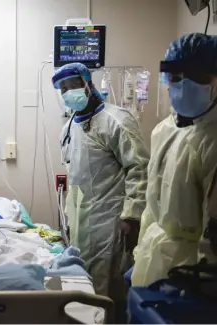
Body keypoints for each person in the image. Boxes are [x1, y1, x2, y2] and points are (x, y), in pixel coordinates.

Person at [52, 63, 149, 311]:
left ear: (87, 83)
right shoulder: (69, 127)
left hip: (110, 221)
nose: (66, 93)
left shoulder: (116, 121)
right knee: (83, 282)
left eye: (71, 86)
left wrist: (132, 216)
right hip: (80, 219)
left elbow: (138, 168)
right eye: (61, 89)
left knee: (108, 285)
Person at [132, 33, 217, 286]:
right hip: (153, 257)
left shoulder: (212, 140)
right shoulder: (164, 131)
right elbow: (152, 205)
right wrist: (140, 253)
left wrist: (203, 285)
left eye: (194, 76)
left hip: (192, 270)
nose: (180, 85)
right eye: (175, 77)